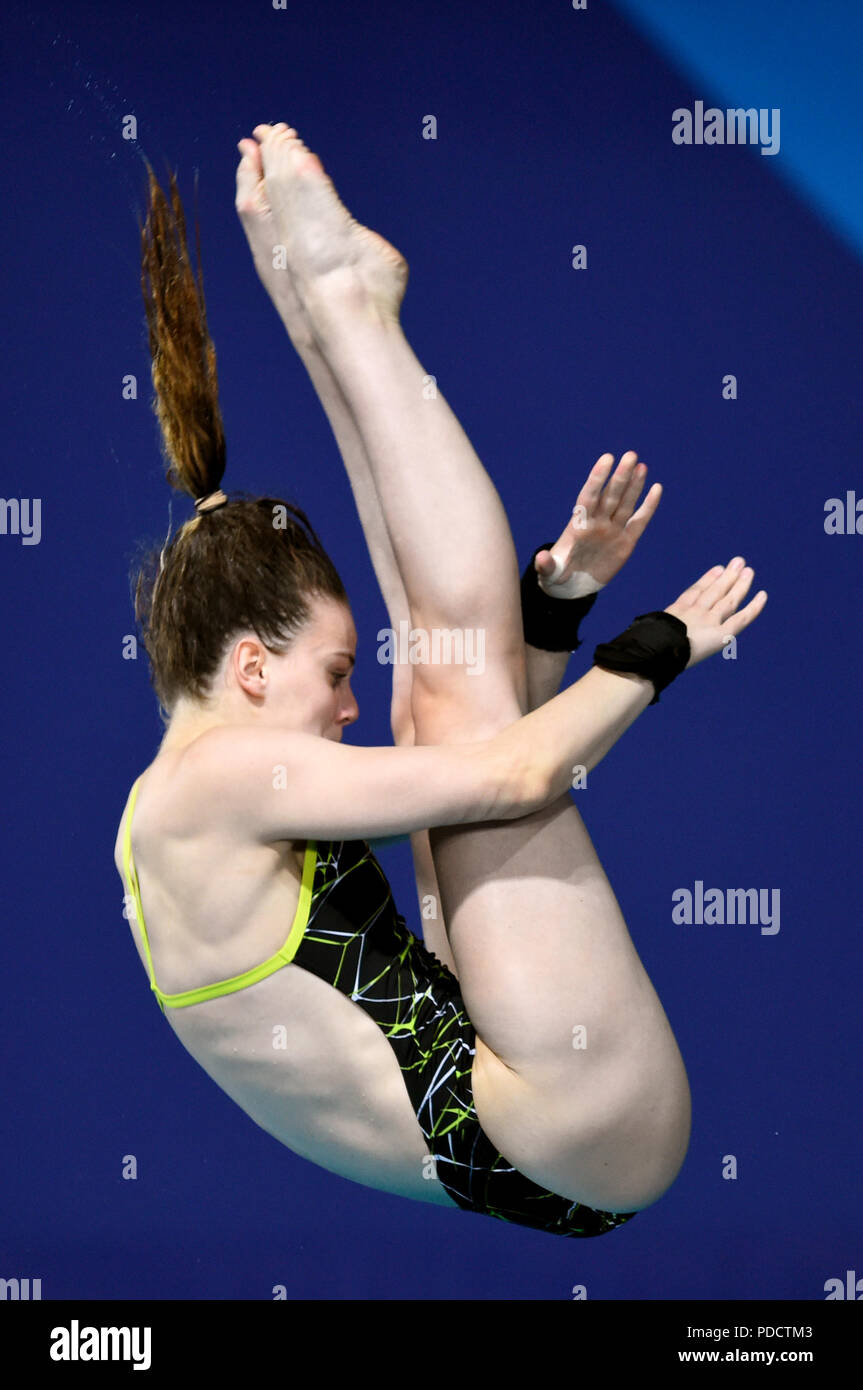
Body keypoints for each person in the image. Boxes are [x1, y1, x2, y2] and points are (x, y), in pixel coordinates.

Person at [115, 123, 767, 1239]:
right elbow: (513, 770)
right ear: (251, 665)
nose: (347, 703)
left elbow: (492, 777)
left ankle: (331, 309)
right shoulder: (210, 783)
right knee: (452, 684)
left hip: (535, 1136)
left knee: (441, 691)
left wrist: (555, 615)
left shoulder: (161, 824)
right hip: (556, 1111)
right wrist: (659, 645)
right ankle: (339, 305)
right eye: (331, 671)